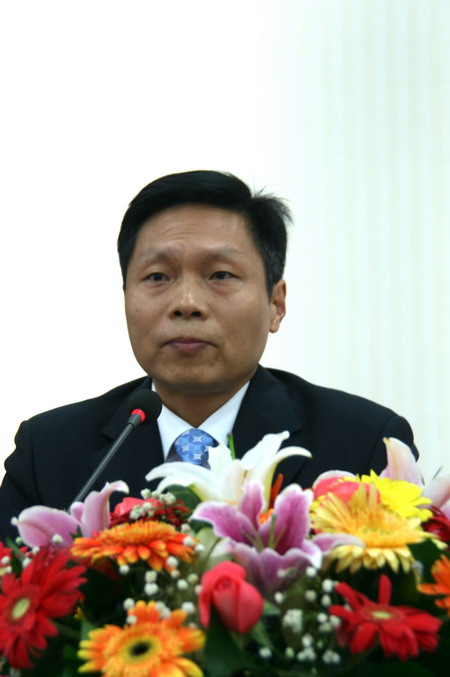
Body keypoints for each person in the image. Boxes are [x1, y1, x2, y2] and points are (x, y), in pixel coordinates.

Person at [0, 170, 417, 541]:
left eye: (220, 275)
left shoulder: (364, 444)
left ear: (276, 304)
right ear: (125, 296)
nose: (187, 303)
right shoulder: (47, 451)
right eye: (157, 276)